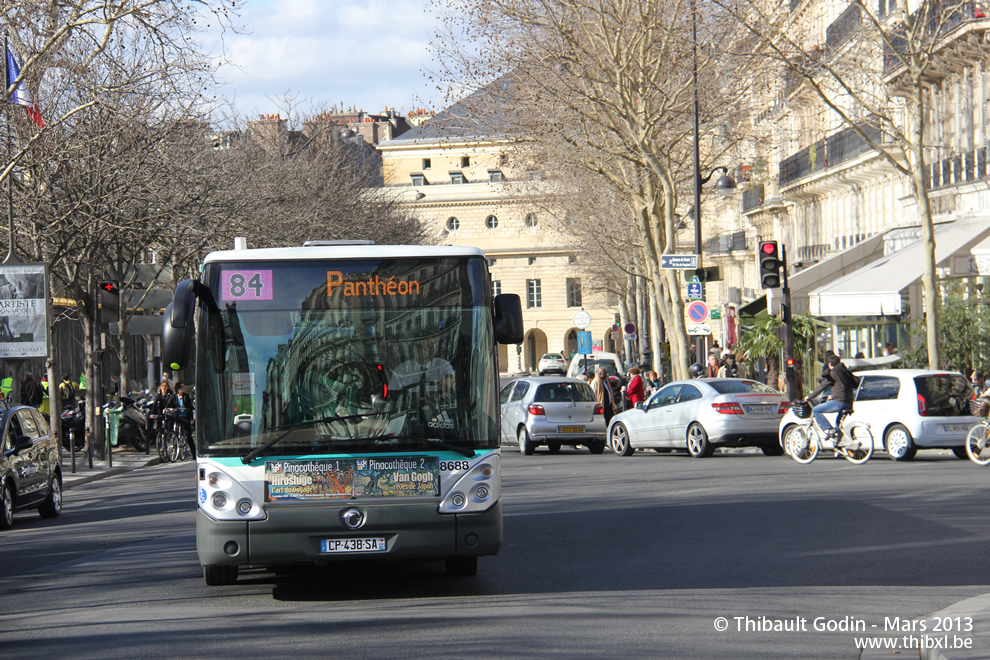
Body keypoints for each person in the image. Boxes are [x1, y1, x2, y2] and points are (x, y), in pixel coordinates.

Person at [802, 353, 859, 442]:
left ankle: (828, 429)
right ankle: (839, 444)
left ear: (829, 364)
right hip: (849, 402)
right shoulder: (844, 371)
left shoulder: (833, 373)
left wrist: (809, 397)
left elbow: (822, 387)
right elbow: (842, 386)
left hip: (839, 402)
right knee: (838, 424)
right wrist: (832, 395)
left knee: (816, 410)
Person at [173, 382, 195, 459]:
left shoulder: (186, 396)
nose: (183, 388)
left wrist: (191, 418)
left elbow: (190, 407)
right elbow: (169, 404)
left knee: (188, 435)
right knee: (173, 430)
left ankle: (194, 453)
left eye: (183, 387)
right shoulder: (174, 396)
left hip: (185, 416)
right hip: (177, 417)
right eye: (181, 387)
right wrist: (166, 409)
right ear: (177, 388)